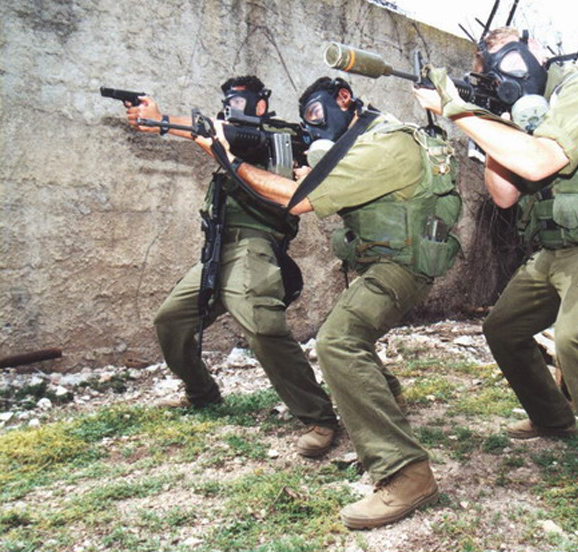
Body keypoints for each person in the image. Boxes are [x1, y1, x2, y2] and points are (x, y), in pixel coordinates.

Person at [414, 28, 578, 540]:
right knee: (503, 328)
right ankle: (553, 419)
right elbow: (505, 194)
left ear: (533, 52)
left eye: (508, 59)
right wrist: (491, 123)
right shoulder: (533, 112)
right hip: (559, 250)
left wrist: (455, 109)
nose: (507, 74)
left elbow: (539, 161)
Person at [194, 76, 462, 529]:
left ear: (344, 99)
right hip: (385, 262)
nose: (314, 126)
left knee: (338, 340)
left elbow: (296, 202)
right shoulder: (367, 142)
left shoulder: (386, 143)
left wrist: (226, 156)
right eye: (307, 122)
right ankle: (387, 401)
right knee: (352, 334)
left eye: (317, 114)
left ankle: (407, 475)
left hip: (403, 265)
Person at [124, 75, 339, 458]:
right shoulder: (233, 139)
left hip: (254, 246)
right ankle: (202, 393)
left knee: (263, 327)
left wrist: (163, 121)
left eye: (240, 102)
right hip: (218, 249)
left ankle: (319, 417)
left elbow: (217, 133)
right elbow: (214, 131)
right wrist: (160, 122)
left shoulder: (281, 138)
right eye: (228, 102)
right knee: (171, 320)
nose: (231, 108)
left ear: (260, 105)